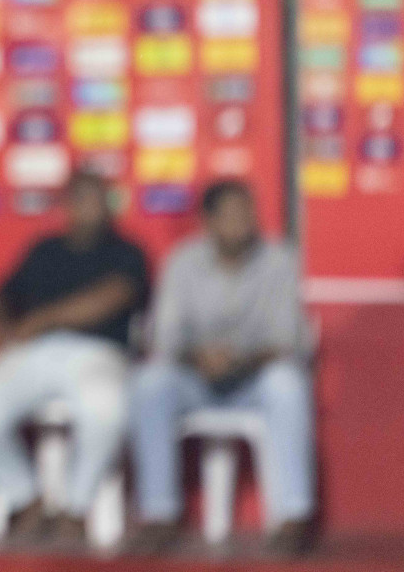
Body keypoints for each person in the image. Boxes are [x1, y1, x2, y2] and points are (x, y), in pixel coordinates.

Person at [0, 170, 149, 544]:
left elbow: (113, 296)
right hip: (34, 352)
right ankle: (26, 499)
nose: (89, 207)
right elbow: (1, 292)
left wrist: (42, 319)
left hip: (98, 353)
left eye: (97, 198)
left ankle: (77, 506)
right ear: (67, 205)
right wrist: (5, 331)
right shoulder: (44, 249)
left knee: (106, 409)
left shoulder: (126, 251)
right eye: (81, 199)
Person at [129, 179, 314, 555]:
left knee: (288, 384)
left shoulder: (279, 260)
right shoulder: (182, 260)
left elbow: (288, 341)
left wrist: (240, 360)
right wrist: (198, 357)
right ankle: (159, 514)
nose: (241, 221)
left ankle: (294, 516)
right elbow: (163, 338)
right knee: (150, 383)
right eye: (230, 214)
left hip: (253, 379)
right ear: (207, 220)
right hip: (196, 378)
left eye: (247, 212)